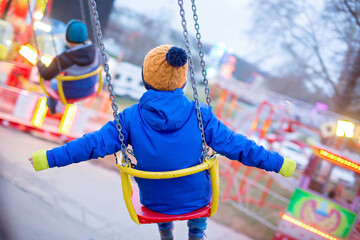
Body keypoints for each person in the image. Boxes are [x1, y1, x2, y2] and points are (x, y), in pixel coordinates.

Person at [29, 45, 296, 240]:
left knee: (163, 191)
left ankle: (165, 231)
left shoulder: (130, 118)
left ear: (146, 79)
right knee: (199, 177)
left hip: (154, 203)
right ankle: (196, 233)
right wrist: (280, 163)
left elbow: (90, 145)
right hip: (196, 202)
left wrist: (47, 158)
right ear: (181, 80)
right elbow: (240, 147)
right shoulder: (201, 115)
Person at [37, 19, 100, 114]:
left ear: (67, 36)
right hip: (90, 88)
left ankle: (53, 109)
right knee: (64, 78)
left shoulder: (65, 58)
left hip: (70, 92)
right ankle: (61, 110)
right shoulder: (95, 50)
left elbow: (46, 75)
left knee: (52, 83)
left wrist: (39, 63)